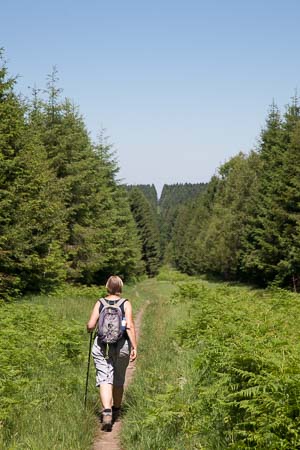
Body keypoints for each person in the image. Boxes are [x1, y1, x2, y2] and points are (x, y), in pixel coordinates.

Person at [87, 275, 137, 431]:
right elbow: (129, 326)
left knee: (104, 376)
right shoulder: (125, 303)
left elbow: (90, 325)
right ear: (120, 288)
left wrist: (89, 329)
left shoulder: (100, 303)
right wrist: (134, 346)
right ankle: (116, 410)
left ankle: (106, 411)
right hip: (121, 345)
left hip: (101, 345)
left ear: (107, 287)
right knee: (118, 378)